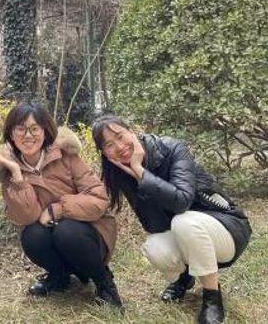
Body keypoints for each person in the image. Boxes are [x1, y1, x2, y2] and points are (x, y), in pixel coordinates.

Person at [91, 115, 252, 324]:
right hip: (189, 234)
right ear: (104, 153)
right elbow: (153, 225)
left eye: (120, 136)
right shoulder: (122, 173)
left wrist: (141, 172)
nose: (120, 147)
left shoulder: (172, 148)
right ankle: (184, 278)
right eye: (109, 145)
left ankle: (212, 297)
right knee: (154, 247)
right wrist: (138, 180)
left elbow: (182, 202)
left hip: (226, 229)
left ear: (132, 132)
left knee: (183, 222)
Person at [0, 102, 122, 309]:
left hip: (88, 231)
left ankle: (103, 282)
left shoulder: (65, 155)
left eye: (34, 128)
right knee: (32, 236)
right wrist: (18, 178)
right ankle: (60, 276)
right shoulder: (9, 172)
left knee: (67, 231)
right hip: (49, 232)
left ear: (45, 131)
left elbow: (99, 197)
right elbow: (25, 218)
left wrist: (57, 209)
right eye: (21, 129)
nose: (28, 135)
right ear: (11, 135)